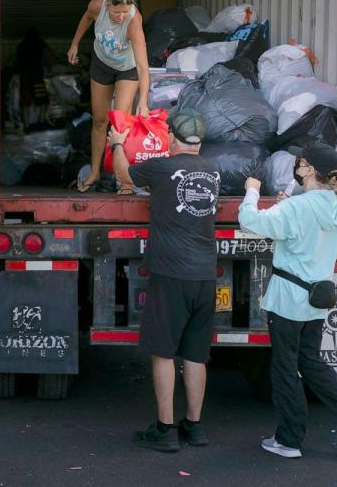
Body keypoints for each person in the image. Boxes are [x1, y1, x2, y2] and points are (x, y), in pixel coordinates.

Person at [238, 143, 337, 458]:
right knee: (311, 363)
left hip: (289, 300)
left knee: (285, 368)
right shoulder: (332, 204)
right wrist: (285, 208)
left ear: (309, 170)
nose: (295, 166)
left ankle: (288, 440)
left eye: (299, 162)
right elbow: (301, 226)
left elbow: (250, 221)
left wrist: (252, 191)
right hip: (317, 298)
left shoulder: (296, 208)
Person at [108, 109, 220, 452]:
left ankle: (165, 430)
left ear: (172, 137)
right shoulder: (213, 171)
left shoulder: (163, 166)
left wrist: (117, 144)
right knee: (197, 355)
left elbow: (125, 175)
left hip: (171, 274)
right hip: (205, 274)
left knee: (162, 352)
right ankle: (195, 427)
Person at [68, 0, 151, 193]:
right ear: (108, 5)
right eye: (116, 12)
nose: (121, 16)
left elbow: (143, 67)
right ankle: (95, 172)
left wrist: (143, 101)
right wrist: (75, 44)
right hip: (102, 64)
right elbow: (86, 18)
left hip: (127, 69)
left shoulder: (134, 21)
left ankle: (122, 178)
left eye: (125, 11)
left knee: (121, 124)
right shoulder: (97, 6)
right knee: (99, 121)